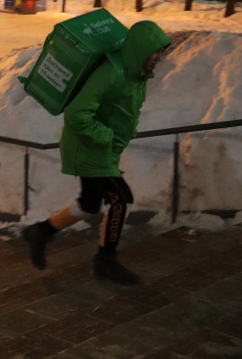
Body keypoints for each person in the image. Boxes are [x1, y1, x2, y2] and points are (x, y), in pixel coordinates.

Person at [21, 20, 172, 286]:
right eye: (155, 52)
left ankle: (40, 232)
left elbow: (124, 110)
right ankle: (105, 261)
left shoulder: (136, 75)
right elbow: (78, 113)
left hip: (104, 149)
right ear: (140, 49)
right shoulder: (111, 73)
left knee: (90, 203)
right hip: (88, 147)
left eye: (161, 52)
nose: (159, 58)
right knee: (120, 199)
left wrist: (123, 135)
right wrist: (106, 136)